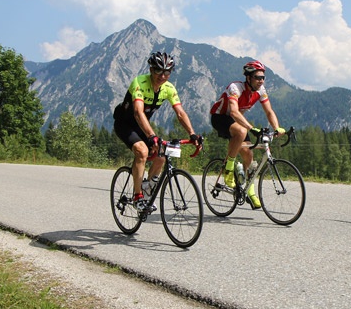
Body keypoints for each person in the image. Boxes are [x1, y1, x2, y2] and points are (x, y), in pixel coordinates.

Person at [113, 51, 201, 208]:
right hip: (125, 124)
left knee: (162, 155)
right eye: (159, 71)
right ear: (151, 70)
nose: (163, 75)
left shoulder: (168, 88)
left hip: (143, 126)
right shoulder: (139, 83)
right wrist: (152, 135)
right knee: (142, 151)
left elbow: (180, 113)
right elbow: (138, 112)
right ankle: (137, 196)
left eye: (167, 72)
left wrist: (192, 134)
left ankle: (147, 189)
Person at [210, 60, 285, 209]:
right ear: (248, 78)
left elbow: (269, 111)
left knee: (248, 156)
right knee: (241, 131)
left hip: (237, 121)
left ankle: (248, 189)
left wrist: (277, 128)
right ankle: (228, 169)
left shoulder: (260, 91)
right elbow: (234, 112)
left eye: (263, 77)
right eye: (257, 77)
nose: (261, 80)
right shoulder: (235, 88)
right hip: (220, 117)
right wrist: (251, 128)